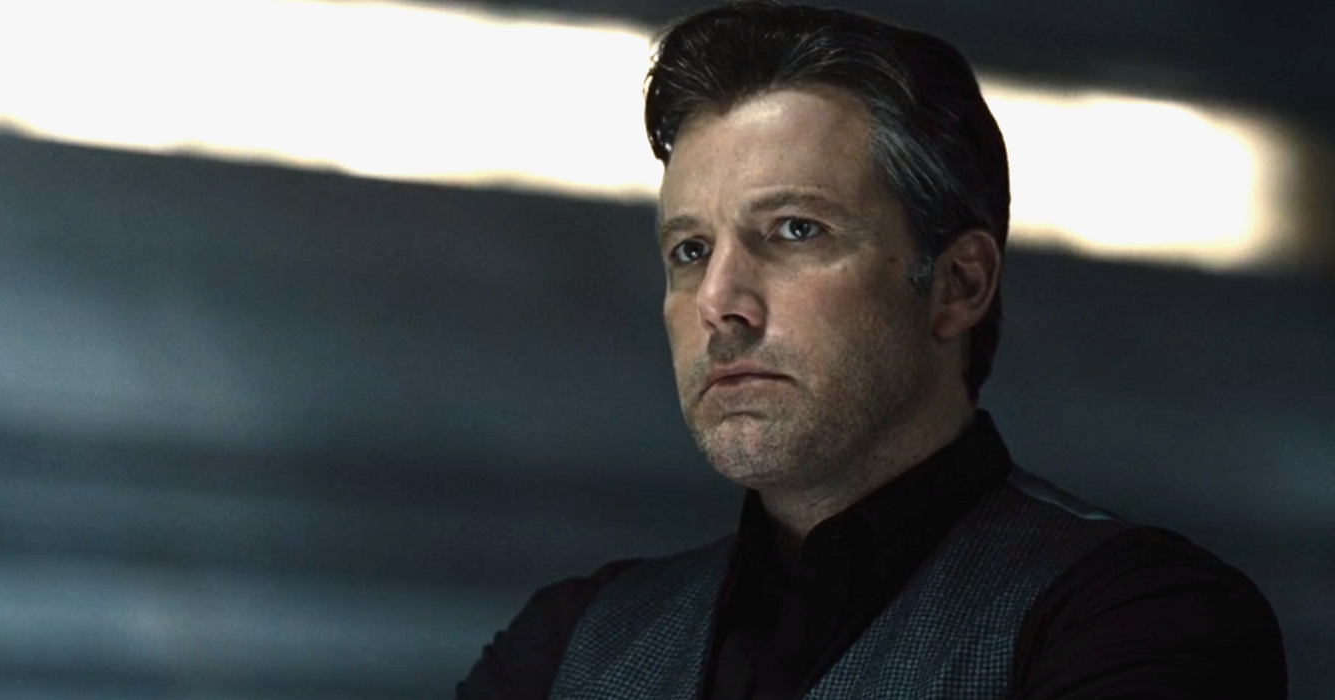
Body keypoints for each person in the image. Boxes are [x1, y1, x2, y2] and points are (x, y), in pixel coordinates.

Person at [456, 3, 1287, 699]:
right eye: (690, 250)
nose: (719, 301)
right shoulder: (570, 643)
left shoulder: (1142, 618)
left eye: (795, 230)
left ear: (957, 284)